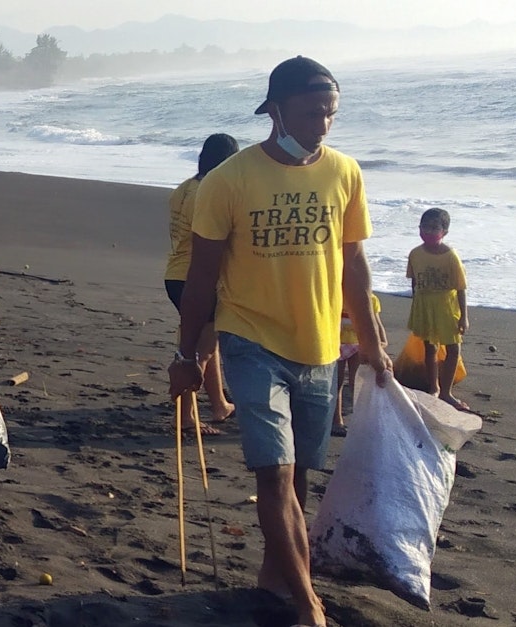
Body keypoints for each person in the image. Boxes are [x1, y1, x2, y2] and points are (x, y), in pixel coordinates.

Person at [170, 56, 388, 627]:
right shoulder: (228, 181)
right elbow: (200, 279)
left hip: (318, 345)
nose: (323, 124)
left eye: (331, 114)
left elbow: (354, 266)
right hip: (249, 338)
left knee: (302, 475)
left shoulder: (345, 173)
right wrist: (186, 354)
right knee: (274, 472)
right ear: (275, 111)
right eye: (313, 112)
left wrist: (371, 344)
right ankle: (306, 601)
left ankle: (274, 576)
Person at [165, 133, 241, 435]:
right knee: (201, 350)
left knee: (206, 343)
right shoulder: (210, 191)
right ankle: (185, 418)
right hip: (198, 277)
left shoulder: (185, 188)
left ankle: (219, 404)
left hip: (175, 273)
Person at [408, 208, 470, 409]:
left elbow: (460, 288)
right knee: (430, 347)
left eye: (434, 227)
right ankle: (433, 387)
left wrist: (464, 317)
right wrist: (416, 305)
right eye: (424, 226)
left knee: (453, 348)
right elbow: (415, 281)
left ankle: (446, 392)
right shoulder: (415, 254)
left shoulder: (450, 256)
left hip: (446, 305)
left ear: (445, 231)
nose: (428, 231)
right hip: (424, 304)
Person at [331, 292, 385, 436]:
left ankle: (359, 419)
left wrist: (381, 340)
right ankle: (337, 419)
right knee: (338, 381)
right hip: (339, 342)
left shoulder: (371, 299)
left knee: (357, 382)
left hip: (358, 343)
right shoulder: (337, 295)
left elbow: (375, 322)